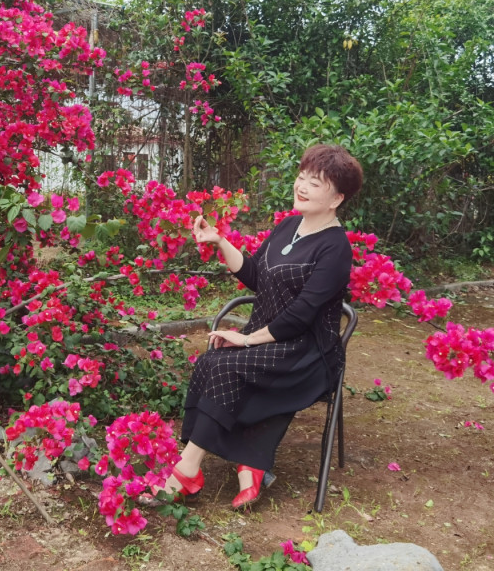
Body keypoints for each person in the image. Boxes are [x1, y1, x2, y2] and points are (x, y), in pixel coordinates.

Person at [153, 143, 363, 510]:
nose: (302, 186)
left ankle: (187, 472)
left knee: (228, 366)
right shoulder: (288, 227)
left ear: (336, 198)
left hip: (306, 353)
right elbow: (255, 275)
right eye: (302, 177)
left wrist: (248, 339)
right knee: (211, 360)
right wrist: (220, 241)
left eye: (315, 183)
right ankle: (246, 459)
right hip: (270, 337)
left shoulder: (335, 248)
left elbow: (300, 316)